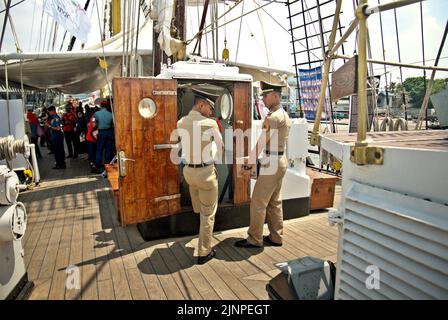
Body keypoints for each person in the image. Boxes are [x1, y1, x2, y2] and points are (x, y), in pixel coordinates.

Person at [235, 81, 291, 248]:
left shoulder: (272, 118)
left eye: (265, 96)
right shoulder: (284, 115)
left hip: (271, 162)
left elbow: (261, 142)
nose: (263, 100)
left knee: (258, 202)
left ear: (275, 95)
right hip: (280, 160)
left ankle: (254, 239)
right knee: (275, 202)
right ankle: (276, 237)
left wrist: (249, 162)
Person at [176, 88, 223, 264]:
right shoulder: (209, 124)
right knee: (208, 213)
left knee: (199, 207)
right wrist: (213, 160)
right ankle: (204, 252)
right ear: (201, 104)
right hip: (205, 174)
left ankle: (200, 223)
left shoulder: (180, 122)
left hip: (189, 173)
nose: (211, 112)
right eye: (209, 107)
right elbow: (221, 146)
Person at [93, 100, 114, 173]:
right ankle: (108, 165)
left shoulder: (96, 114)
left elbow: (94, 124)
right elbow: (112, 125)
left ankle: (98, 165)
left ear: (101, 106)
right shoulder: (111, 114)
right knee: (108, 149)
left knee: (99, 149)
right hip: (109, 132)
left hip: (101, 133)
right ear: (107, 106)